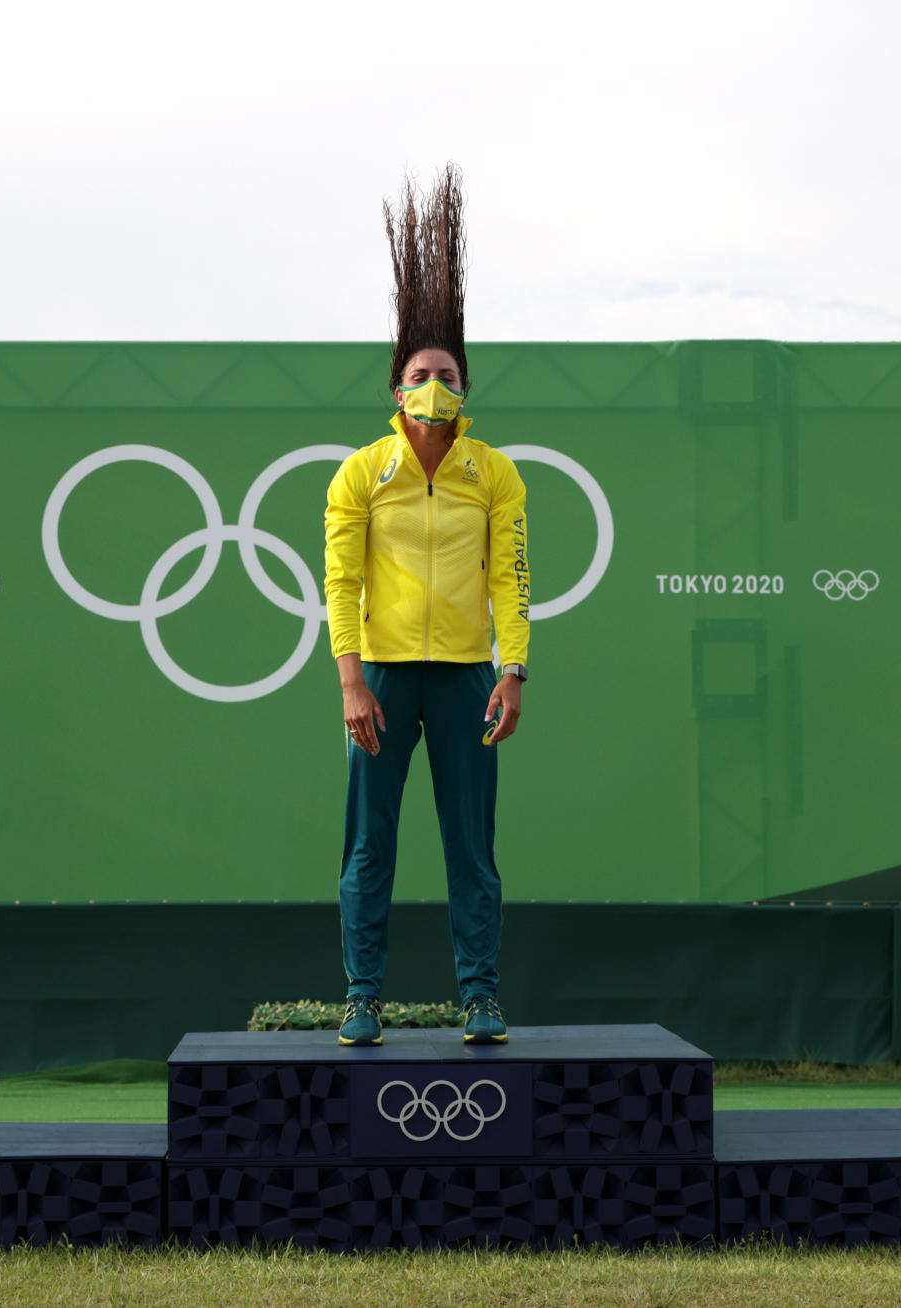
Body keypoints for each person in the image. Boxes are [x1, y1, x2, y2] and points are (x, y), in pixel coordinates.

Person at [323, 166, 529, 1046]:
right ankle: (362, 993)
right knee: (370, 848)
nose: (433, 384)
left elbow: (511, 581)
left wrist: (511, 671)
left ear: (464, 390)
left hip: (464, 680)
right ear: (395, 389)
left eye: (446, 373)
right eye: (419, 373)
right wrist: (351, 683)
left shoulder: (497, 474)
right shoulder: (361, 473)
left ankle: (479, 994)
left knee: (471, 851)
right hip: (383, 678)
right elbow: (340, 583)